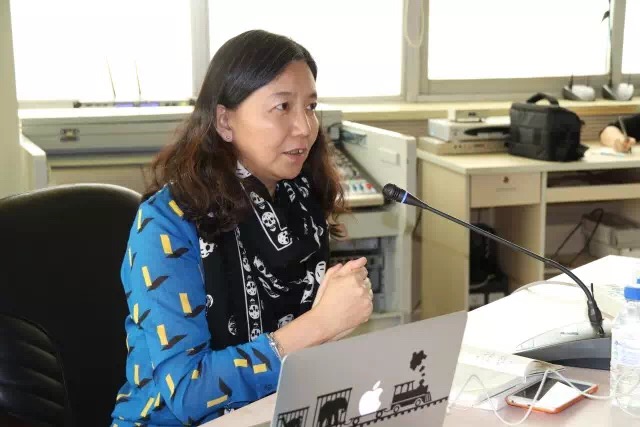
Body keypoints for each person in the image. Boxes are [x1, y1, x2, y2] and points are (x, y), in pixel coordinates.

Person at [110, 30, 373, 426]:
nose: (305, 127)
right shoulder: (165, 224)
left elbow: (305, 353)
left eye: (311, 106)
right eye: (282, 106)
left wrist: (334, 323)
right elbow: (188, 393)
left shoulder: (300, 202)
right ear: (225, 121)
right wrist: (319, 325)